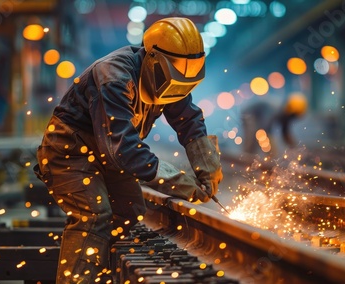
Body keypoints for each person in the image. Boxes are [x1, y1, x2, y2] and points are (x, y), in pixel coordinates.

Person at [33, 17, 223, 283]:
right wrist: (179, 182)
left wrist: (208, 166)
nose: (178, 88)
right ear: (152, 59)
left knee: (130, 209)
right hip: (69, 151)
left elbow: (189, 121)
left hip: (104, 152)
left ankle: (96, 272)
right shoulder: (114, 76)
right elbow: (122, 148)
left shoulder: (172, 77)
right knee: (93, 215)